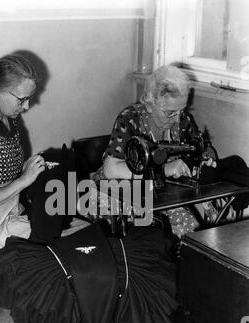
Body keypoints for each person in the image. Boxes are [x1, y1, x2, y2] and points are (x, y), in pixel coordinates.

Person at [0, 54, 87, 258]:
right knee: (70, 245)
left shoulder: (8, 120)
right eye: (22, 100)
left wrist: (27, 169)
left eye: (29, 99)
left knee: (84, 228)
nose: (26, 107)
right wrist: (25, 179)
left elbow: (2, 172)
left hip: (13, 212)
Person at [92, 65, 217, 237]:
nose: (176, 120)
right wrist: (164, 170)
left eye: (182, 111)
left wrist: (207, 156)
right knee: (171, 231)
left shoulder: (182, 120)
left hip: (161, 192)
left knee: (200, 225)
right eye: (170, 113)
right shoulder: (130, 119)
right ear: (150, 104)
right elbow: (111, 169)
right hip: (117, 190)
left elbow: (199, 147)